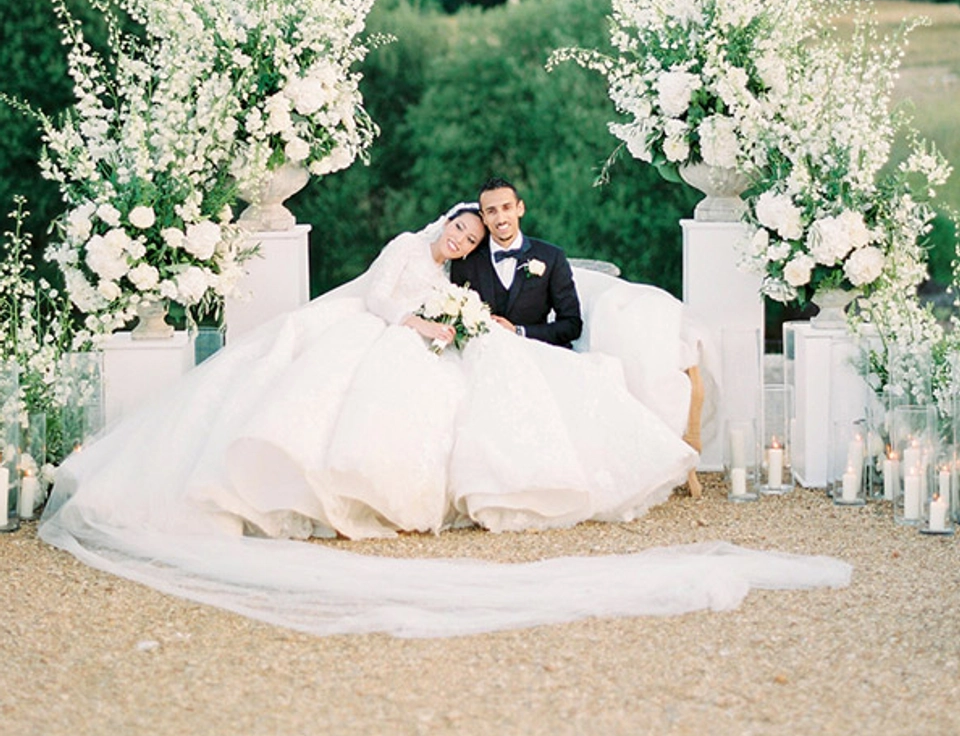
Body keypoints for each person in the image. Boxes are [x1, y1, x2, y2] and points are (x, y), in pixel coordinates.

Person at [39, 201, 851, 638]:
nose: (463, 238)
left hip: (435, 333)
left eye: (471, 234)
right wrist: (423, 323)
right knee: (363, 394)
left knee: (479, 383)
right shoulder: (406, 248)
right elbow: (381, 297)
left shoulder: (475, 275)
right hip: (380, 330)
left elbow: (520, 314)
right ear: (443, 225)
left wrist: (458, 322)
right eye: (460, 227)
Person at [450, 177, 581, 348]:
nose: (501, 219)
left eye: (507, 208)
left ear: (520, 208)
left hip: (536, 352)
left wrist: (519, 331)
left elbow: (572, 325)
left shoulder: (552, 257)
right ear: (483, 217)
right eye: (491, 211)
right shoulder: (465, 262)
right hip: (485, 355)